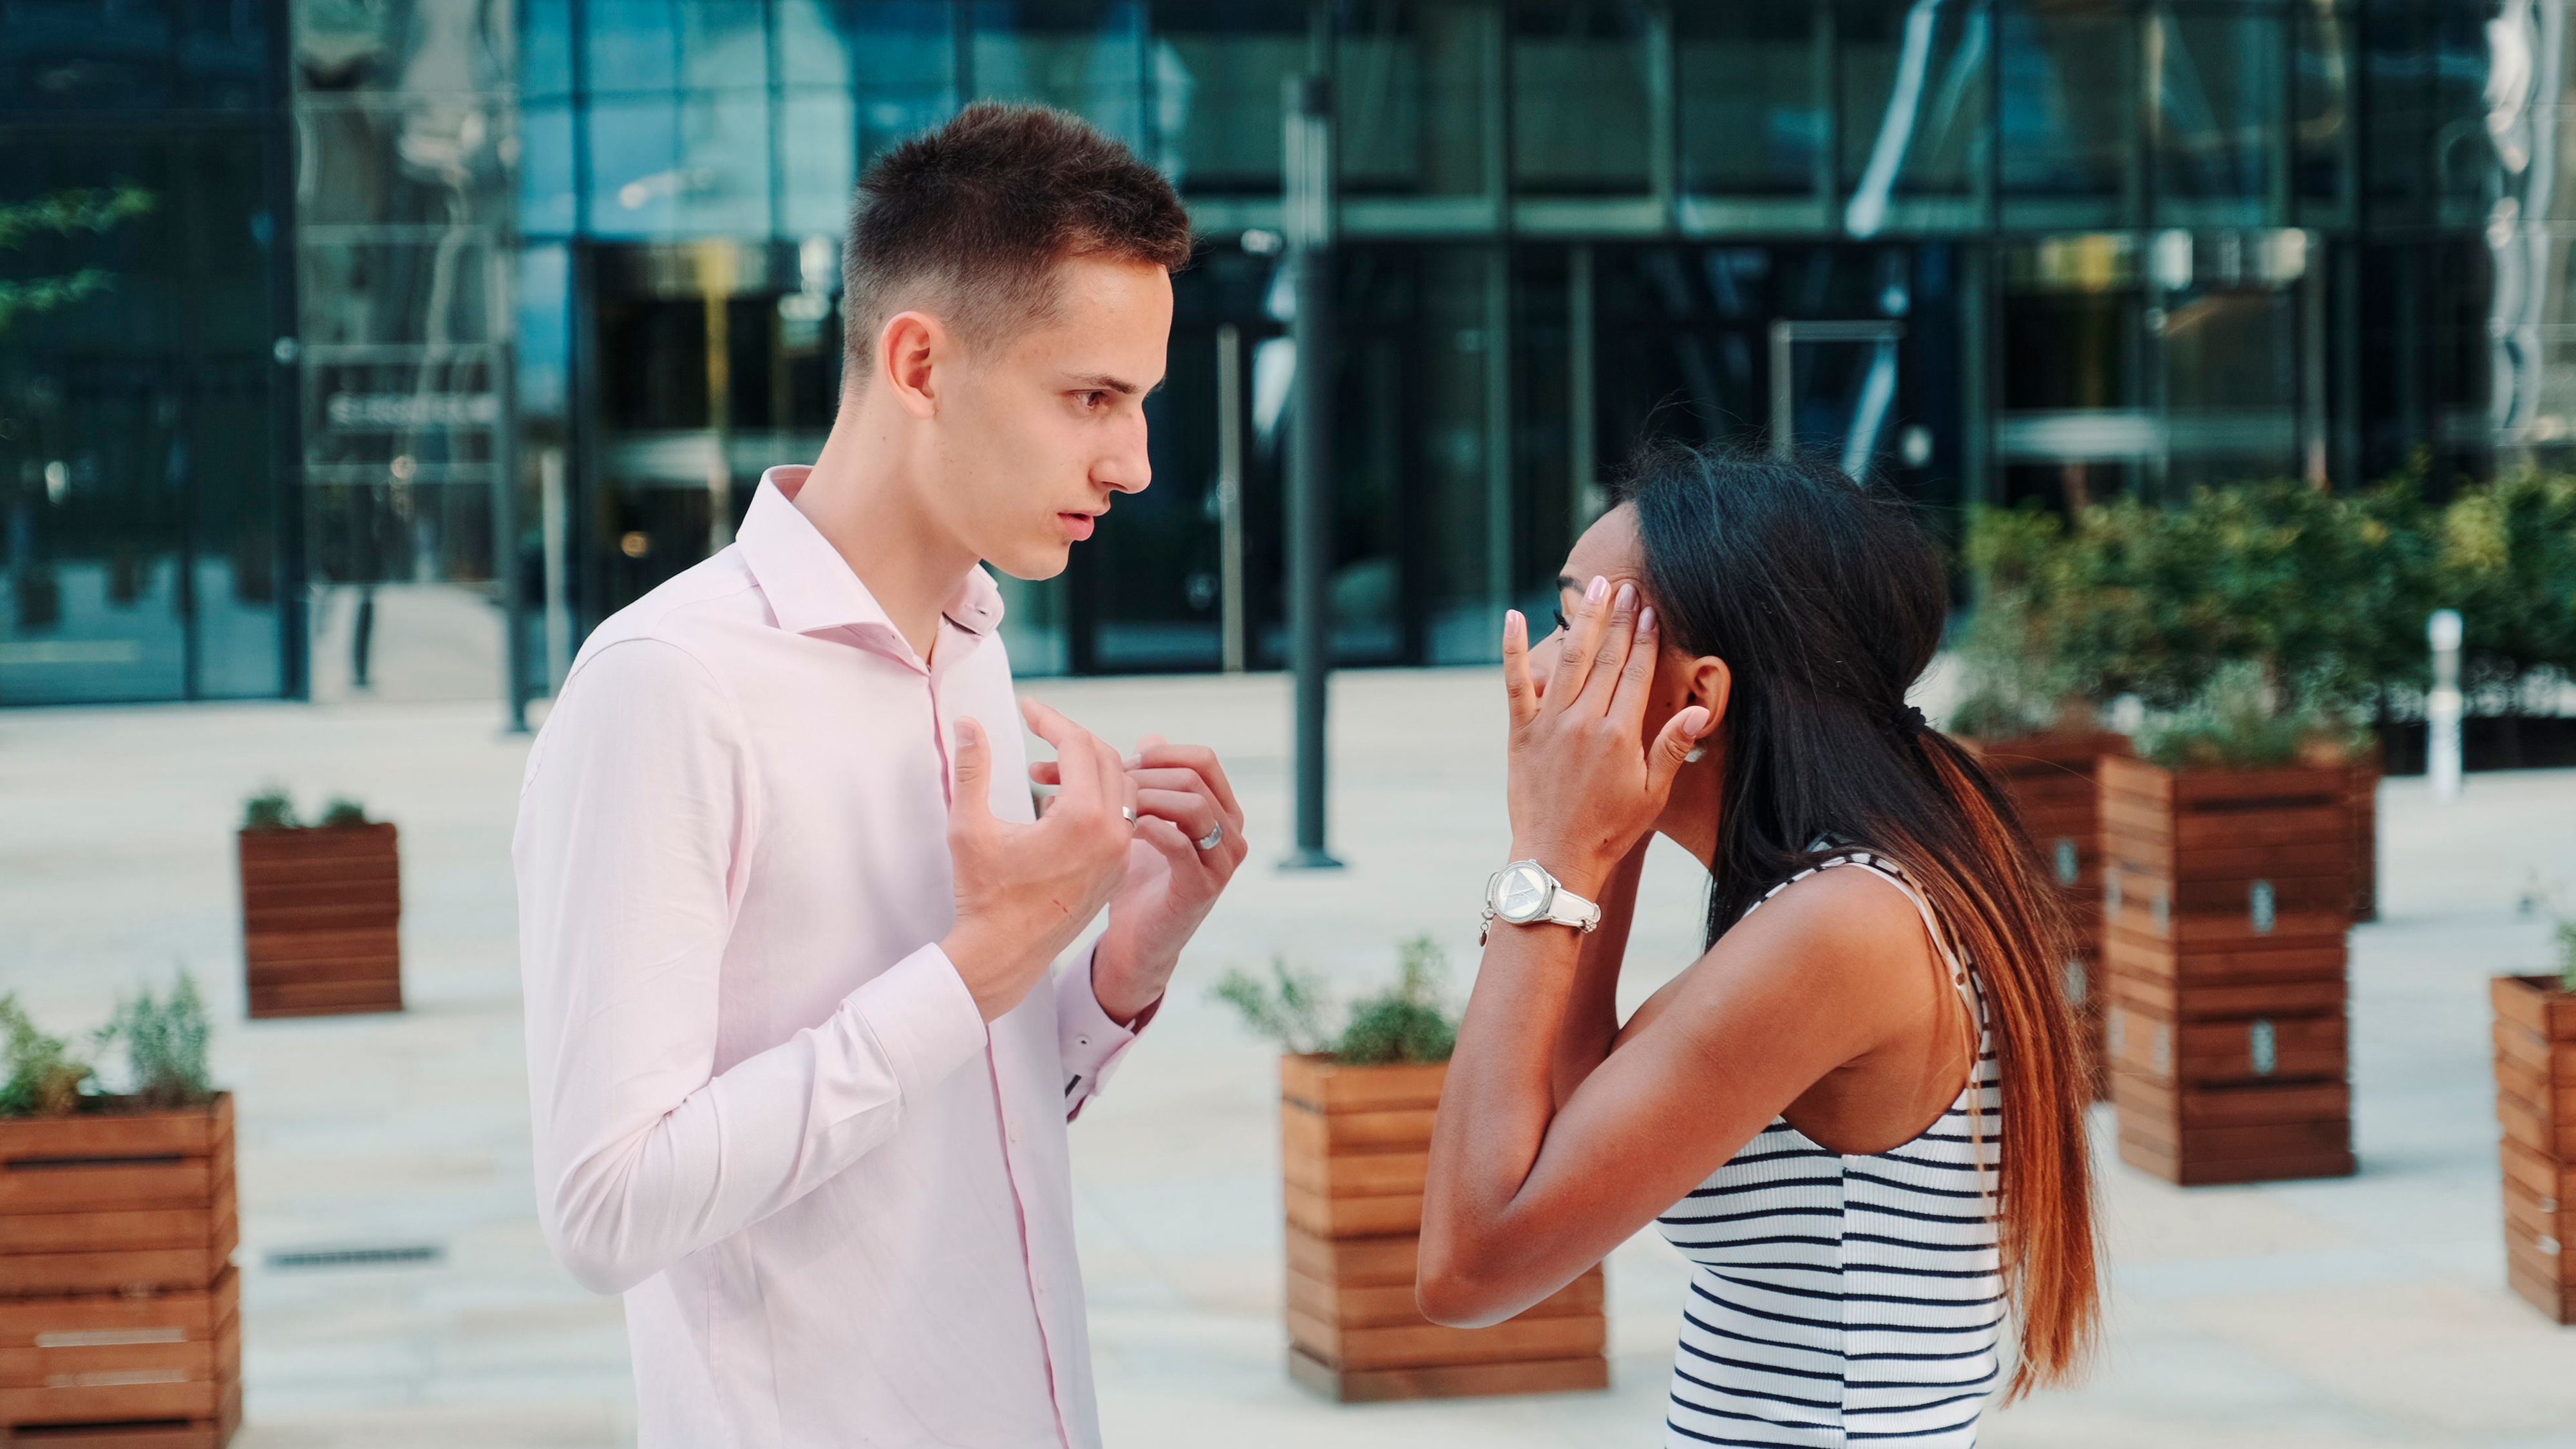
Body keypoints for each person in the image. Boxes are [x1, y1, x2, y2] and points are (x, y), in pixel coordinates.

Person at [513, 104, 1249, 1449]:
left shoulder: (969, 648)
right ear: (918, 361)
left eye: (1138, 403)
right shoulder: (668, 685)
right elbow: (605, 1209)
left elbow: (954, 1120)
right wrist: (979, 963)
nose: (1133, 463)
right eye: (1091, 396)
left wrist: (1108, 974)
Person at [1416, 442, 2099, 1447]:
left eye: (1575, 623)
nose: (1543, 666)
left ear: (1700, 696)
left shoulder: (1846, 925)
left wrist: (1548, 859)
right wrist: (1595, 838)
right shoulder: (1893, 854)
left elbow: (1469, 1268)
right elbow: (1562, 1120)